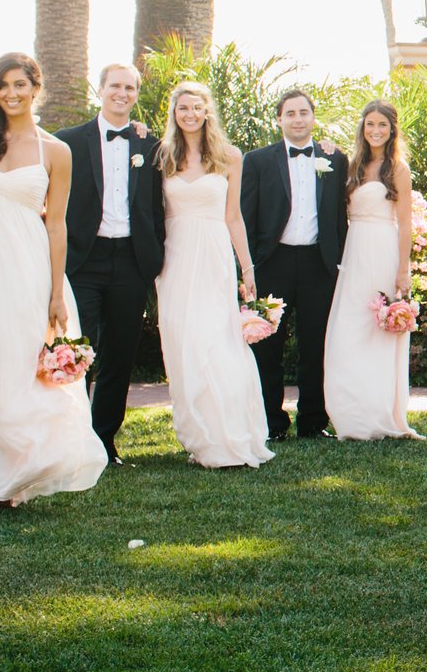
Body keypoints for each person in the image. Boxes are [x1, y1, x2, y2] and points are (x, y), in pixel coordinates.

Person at [0, 53, 106, 514]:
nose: (12, 93)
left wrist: (57, 291)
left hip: (27, 270)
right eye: (4, 85)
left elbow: (56, 224)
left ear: (36, 88)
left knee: (22, 371)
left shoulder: (55, 151)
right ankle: (8, 474)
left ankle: (1, 487)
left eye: (21, 84)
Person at [153, 82, 272, 469]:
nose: (189, 114)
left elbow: (233, 216)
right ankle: (199, 437)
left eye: (196, 107)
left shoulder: (229, 156)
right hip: (175, 256)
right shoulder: (162, 156)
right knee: (182, 340)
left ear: (207, 111)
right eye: (182, 108)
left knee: (216, 340)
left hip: (214, 254)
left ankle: (230, 435)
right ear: (174, 113)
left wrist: (247, 266)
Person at [57, 62, 162, 464]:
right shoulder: (69, 141)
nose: (123, 93)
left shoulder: (148, 145)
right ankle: (71, 438)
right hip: (84, 259)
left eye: (130, 87)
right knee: (80, 349)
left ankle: (104, 440)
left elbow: (156, 204)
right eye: (115, 85)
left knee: (120, 354)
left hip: (131, 260)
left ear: (136, 94)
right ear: (100, 89)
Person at [238, 90, 347, 440]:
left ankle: (313, 422)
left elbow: (341, 216)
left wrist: (340, 260)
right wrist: (250, 265)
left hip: (319, 262)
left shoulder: (335, 158)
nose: (298, 119)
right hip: (274, 261)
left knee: (315, 346)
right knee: (268, 346)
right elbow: (245, 214)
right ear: (279, 120)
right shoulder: (257, 161)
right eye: (290, 113)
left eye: (304, 112)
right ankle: (271, 422)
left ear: (313, 117)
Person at [323, 100, 419, 441]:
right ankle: (350, 412)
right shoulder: (353, 166)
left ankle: (379, 413)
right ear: (362, 129)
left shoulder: (399, 169)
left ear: (392, 129)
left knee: (378, 331)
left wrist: (403, 270)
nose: (375, 130)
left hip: (382, 250)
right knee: (349, 330)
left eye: (382, 125)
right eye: (370, 125)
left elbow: (406, 224)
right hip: (354, 251)